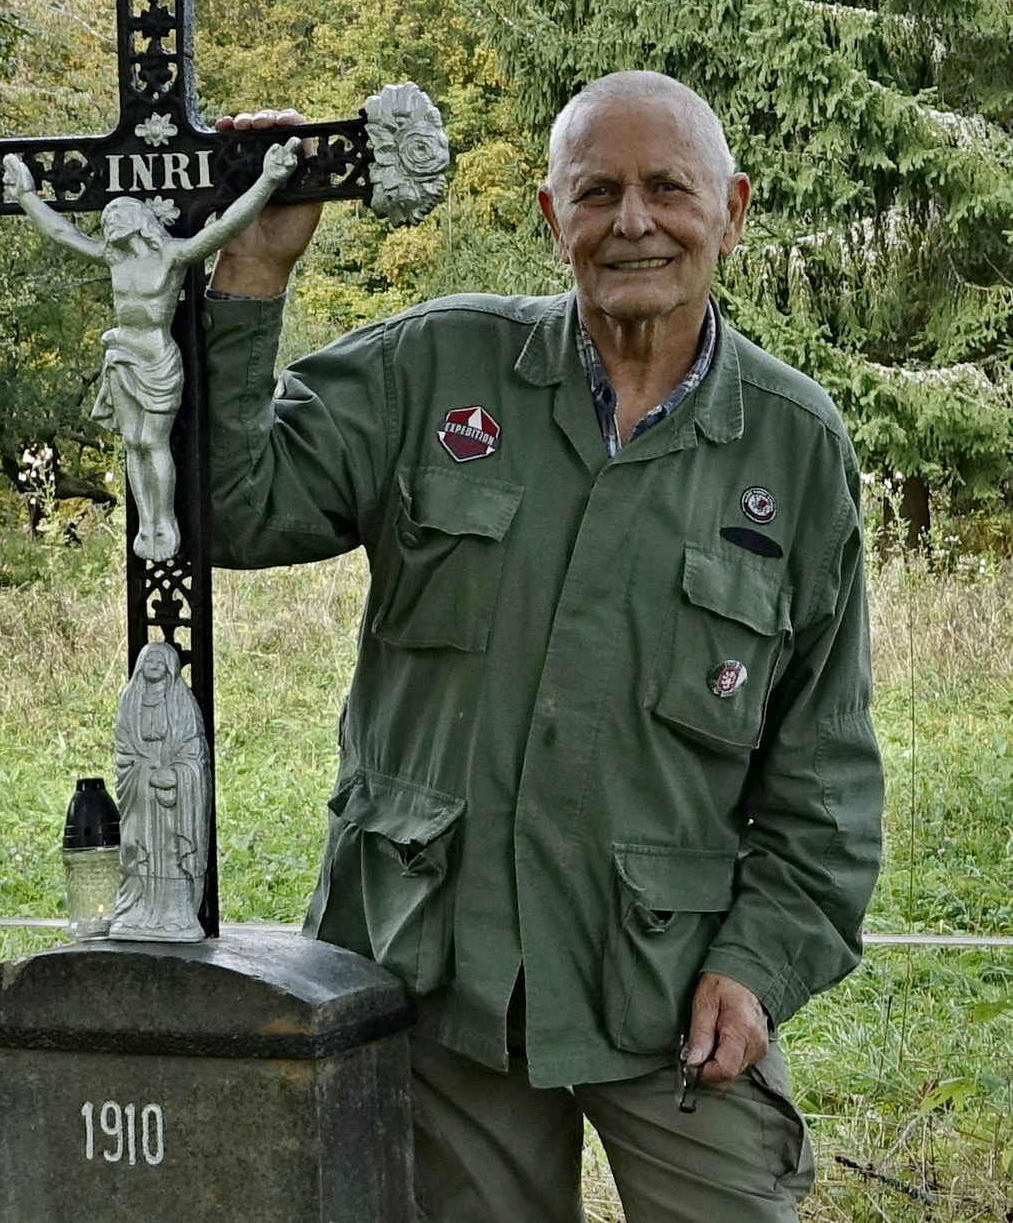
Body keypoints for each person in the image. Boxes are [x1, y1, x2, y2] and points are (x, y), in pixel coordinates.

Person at [201, 76, 883, 1222]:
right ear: (549, 215)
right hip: (438, 970)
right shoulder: (434, 369)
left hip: (665, 987)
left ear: (729, 211)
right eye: (596, 191)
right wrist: (254, 269)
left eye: (667, 189)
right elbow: (227, 508)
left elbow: (824, 771)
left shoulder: (792, 446)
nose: (632, 221)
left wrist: (755, 967)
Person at [2, 139, 300, 561]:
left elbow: (224, 228)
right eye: (107, 219)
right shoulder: (114, 258)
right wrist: (25, 196)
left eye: (116, 216)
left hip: (157, 359)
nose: (109, 223)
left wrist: (268, 180)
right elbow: (62, 233)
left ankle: (164, 522)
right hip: (122, 357)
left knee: (152, 441)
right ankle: (146, 524)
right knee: (133, 444)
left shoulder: (171, 256)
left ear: (139, 221)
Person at [110, 640, 209, 942]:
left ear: (170, 668)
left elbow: (194, 751)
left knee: (171, 851)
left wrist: (177, 775)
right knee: (138, 848)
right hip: (141, 792)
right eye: (149, 661)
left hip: (173, 795)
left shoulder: (182, 702)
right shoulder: (130, 700)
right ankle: (137, 913)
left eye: (159, 662)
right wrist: (146, 775)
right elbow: (124, 752)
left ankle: (177, 916)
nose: (153, 666)